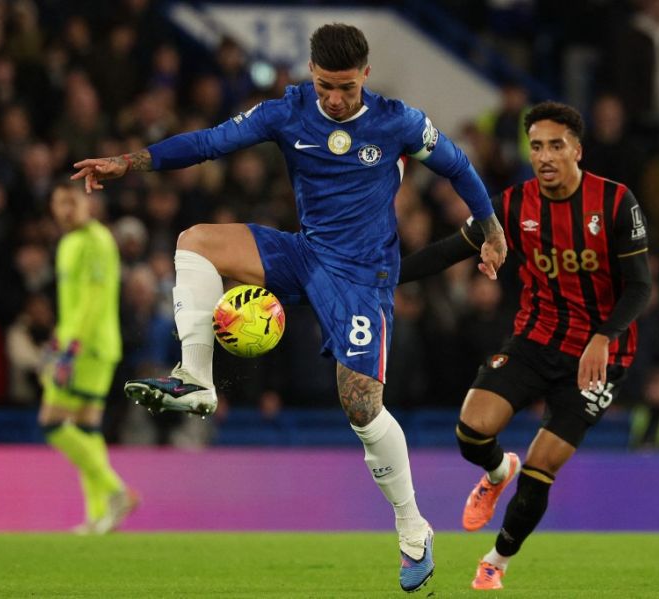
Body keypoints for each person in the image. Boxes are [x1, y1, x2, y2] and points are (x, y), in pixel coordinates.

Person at [70, 23, 506, 592]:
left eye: (346, 87)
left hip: (361, 278)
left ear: (365, 76)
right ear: (311, 73)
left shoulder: (396, 120)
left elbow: (458, 167)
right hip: (304, 253)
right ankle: (197, 379)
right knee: (194, 241)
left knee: (360, 405)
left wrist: (492, 231)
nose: (334, 98)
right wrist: (130, 162)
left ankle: (412, 527)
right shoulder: (288, 111)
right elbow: (207, 143)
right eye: (325, 84)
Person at [399, 101, 651, 590]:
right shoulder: (513, 206)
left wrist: (604, 336)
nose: (546, 156)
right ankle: (497, 471)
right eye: (536, 146)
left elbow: (641, 287)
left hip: (599, 357)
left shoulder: (617, 203)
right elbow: (451, 249)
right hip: (535, 339)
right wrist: (381, 278)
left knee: (542, 466)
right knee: (471, 429)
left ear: (577, 149)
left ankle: (496, 560)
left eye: (556, 145)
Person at [39, 183, 138, 535]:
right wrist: (57, 340)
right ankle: (99, 515)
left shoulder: (96, 240)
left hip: (88, 348)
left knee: (51, 423)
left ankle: (115, 491)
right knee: (85, 428)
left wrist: (71, 348)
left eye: (73, 202)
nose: (66, 210)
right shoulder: (68, 243)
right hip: (82, 345)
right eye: (59, 202)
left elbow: (94, 299)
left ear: (88, 203)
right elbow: (72, 303)